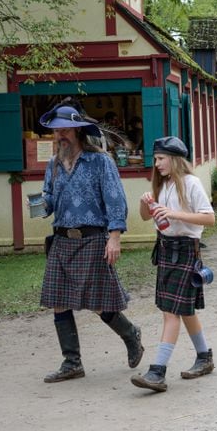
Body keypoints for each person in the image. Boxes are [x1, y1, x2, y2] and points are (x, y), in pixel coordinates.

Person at [35, 102, 143, 383]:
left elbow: (115, 199)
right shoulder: (54, 164)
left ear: (78, 130)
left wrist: (115, 237)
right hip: (62, 240)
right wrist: (40, 204)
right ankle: (72, 363)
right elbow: (48, 198)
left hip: (93, 238)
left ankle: (131, 335)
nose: (59, 136)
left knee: (97, 303)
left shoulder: (100, 162)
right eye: (56, 132)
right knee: (59, 302)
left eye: (64, 130)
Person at [131, 137, 216, 393]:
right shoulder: (163, 184)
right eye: (155, 159)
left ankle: (157, 371)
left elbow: (209, 218)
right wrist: (145, 203)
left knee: (171, 312)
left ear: (174, 159)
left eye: (160, 159)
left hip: (185, 250)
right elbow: (147, 217)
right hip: (166, 249)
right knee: (184, 309)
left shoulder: (191, 183)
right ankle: (204, 357)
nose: (156, 164)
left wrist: (174, 213)